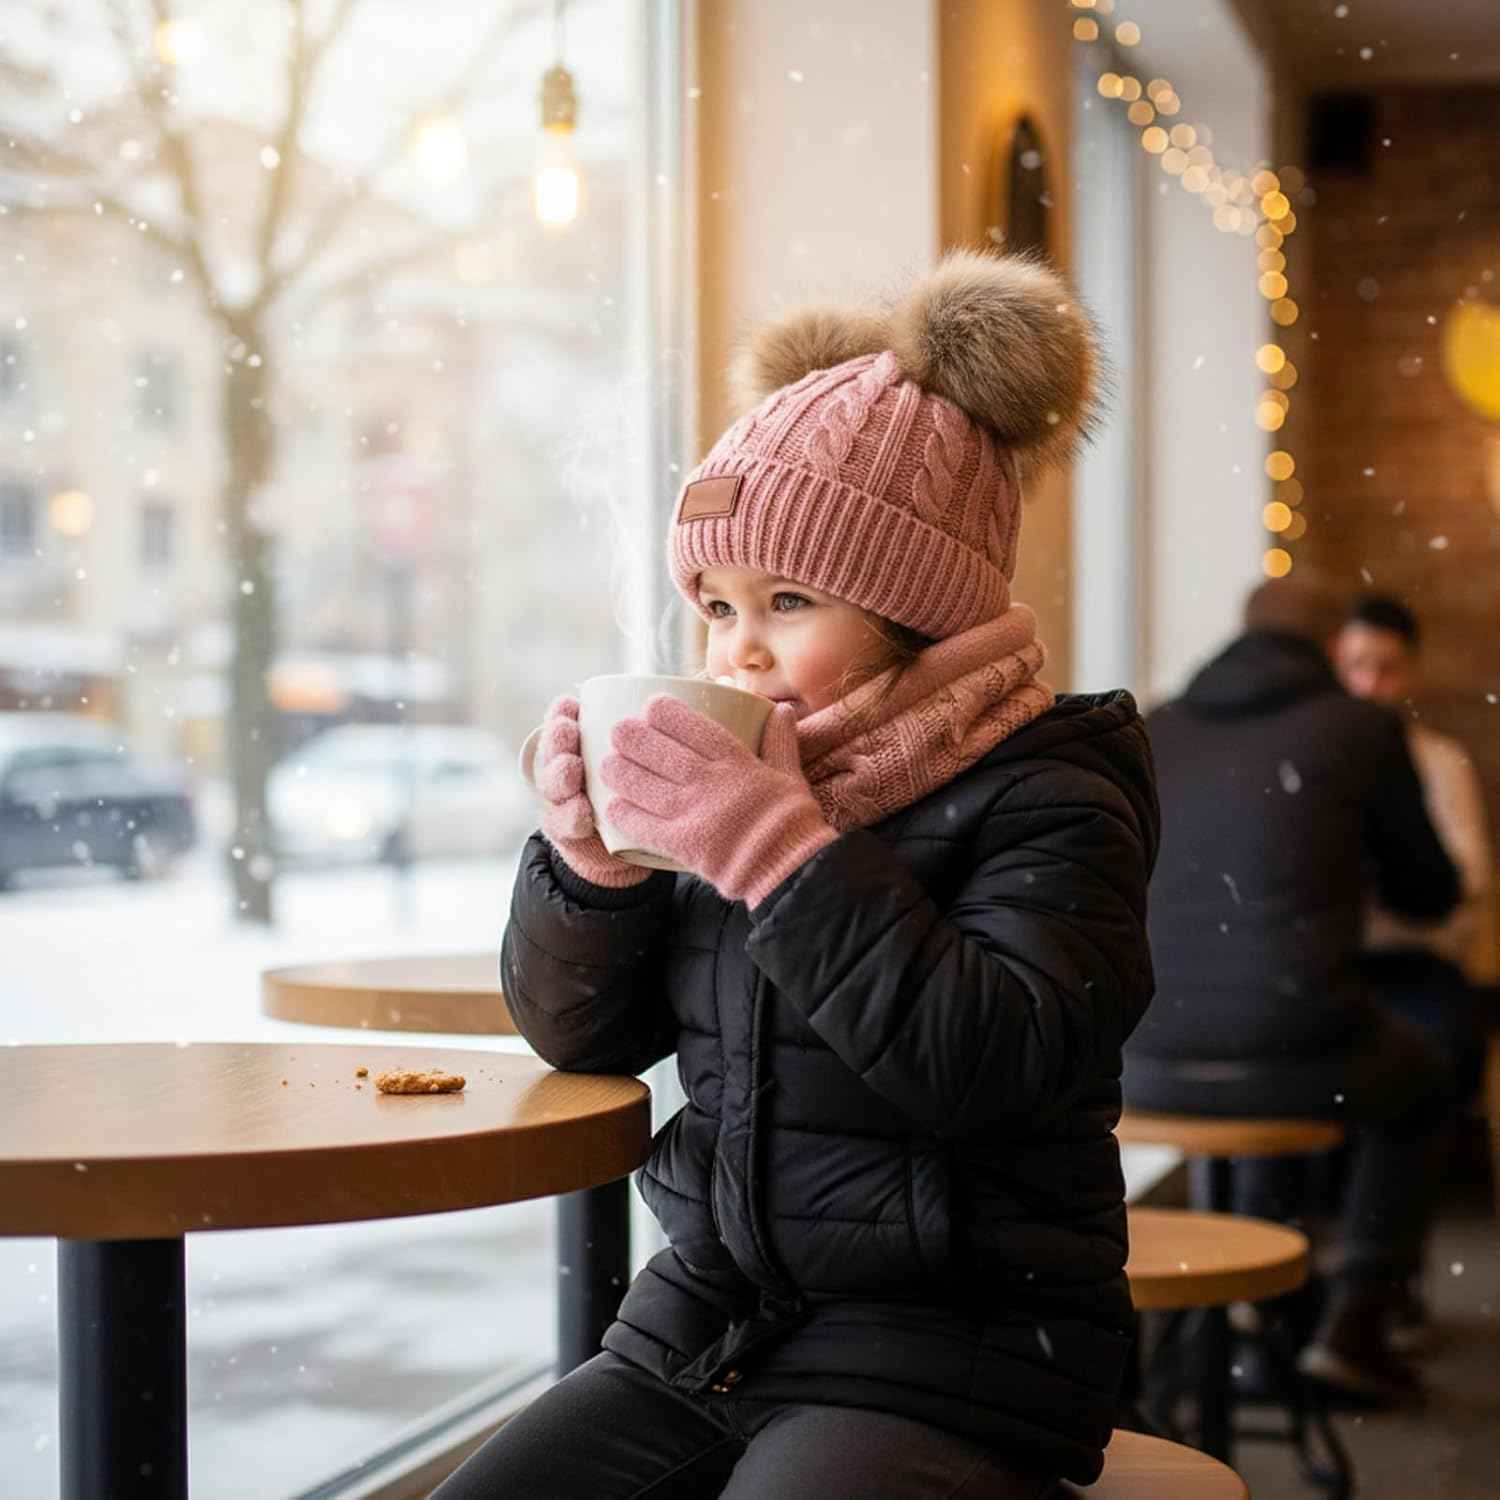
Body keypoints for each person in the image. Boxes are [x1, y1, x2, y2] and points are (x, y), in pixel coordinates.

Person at [432, 252, 1159, 1499]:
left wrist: (778, 854)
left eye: (790, 597)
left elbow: (989, 1069)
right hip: (705, 1327)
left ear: (917, 608)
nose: (741, 647)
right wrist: (589, 870)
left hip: (963, 1350)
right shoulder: (757, 781)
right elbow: (583, 1041)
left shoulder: (1049, 793)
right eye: (714, 606)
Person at [1125, 576, 1461, 1404]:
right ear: (1329, 642)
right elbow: (1430, 892)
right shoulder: (1362, 728)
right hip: (1293, 1043)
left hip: (1139, 1056)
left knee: (1294, 1041)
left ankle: (1253, 1317)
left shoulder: (1154, 726)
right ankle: (1354, 1321)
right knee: (1425, 1072)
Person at [1335, 593, 1494, 1348]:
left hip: (1413, 964)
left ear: (1412, 674)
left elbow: (1465, 881)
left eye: (1384, 668)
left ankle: (1382, 1274)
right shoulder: (1324, 756)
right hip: (1334, 964)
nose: (1368, 684)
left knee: (1441, 1049)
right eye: (1355, 666)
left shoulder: (1438, 762)